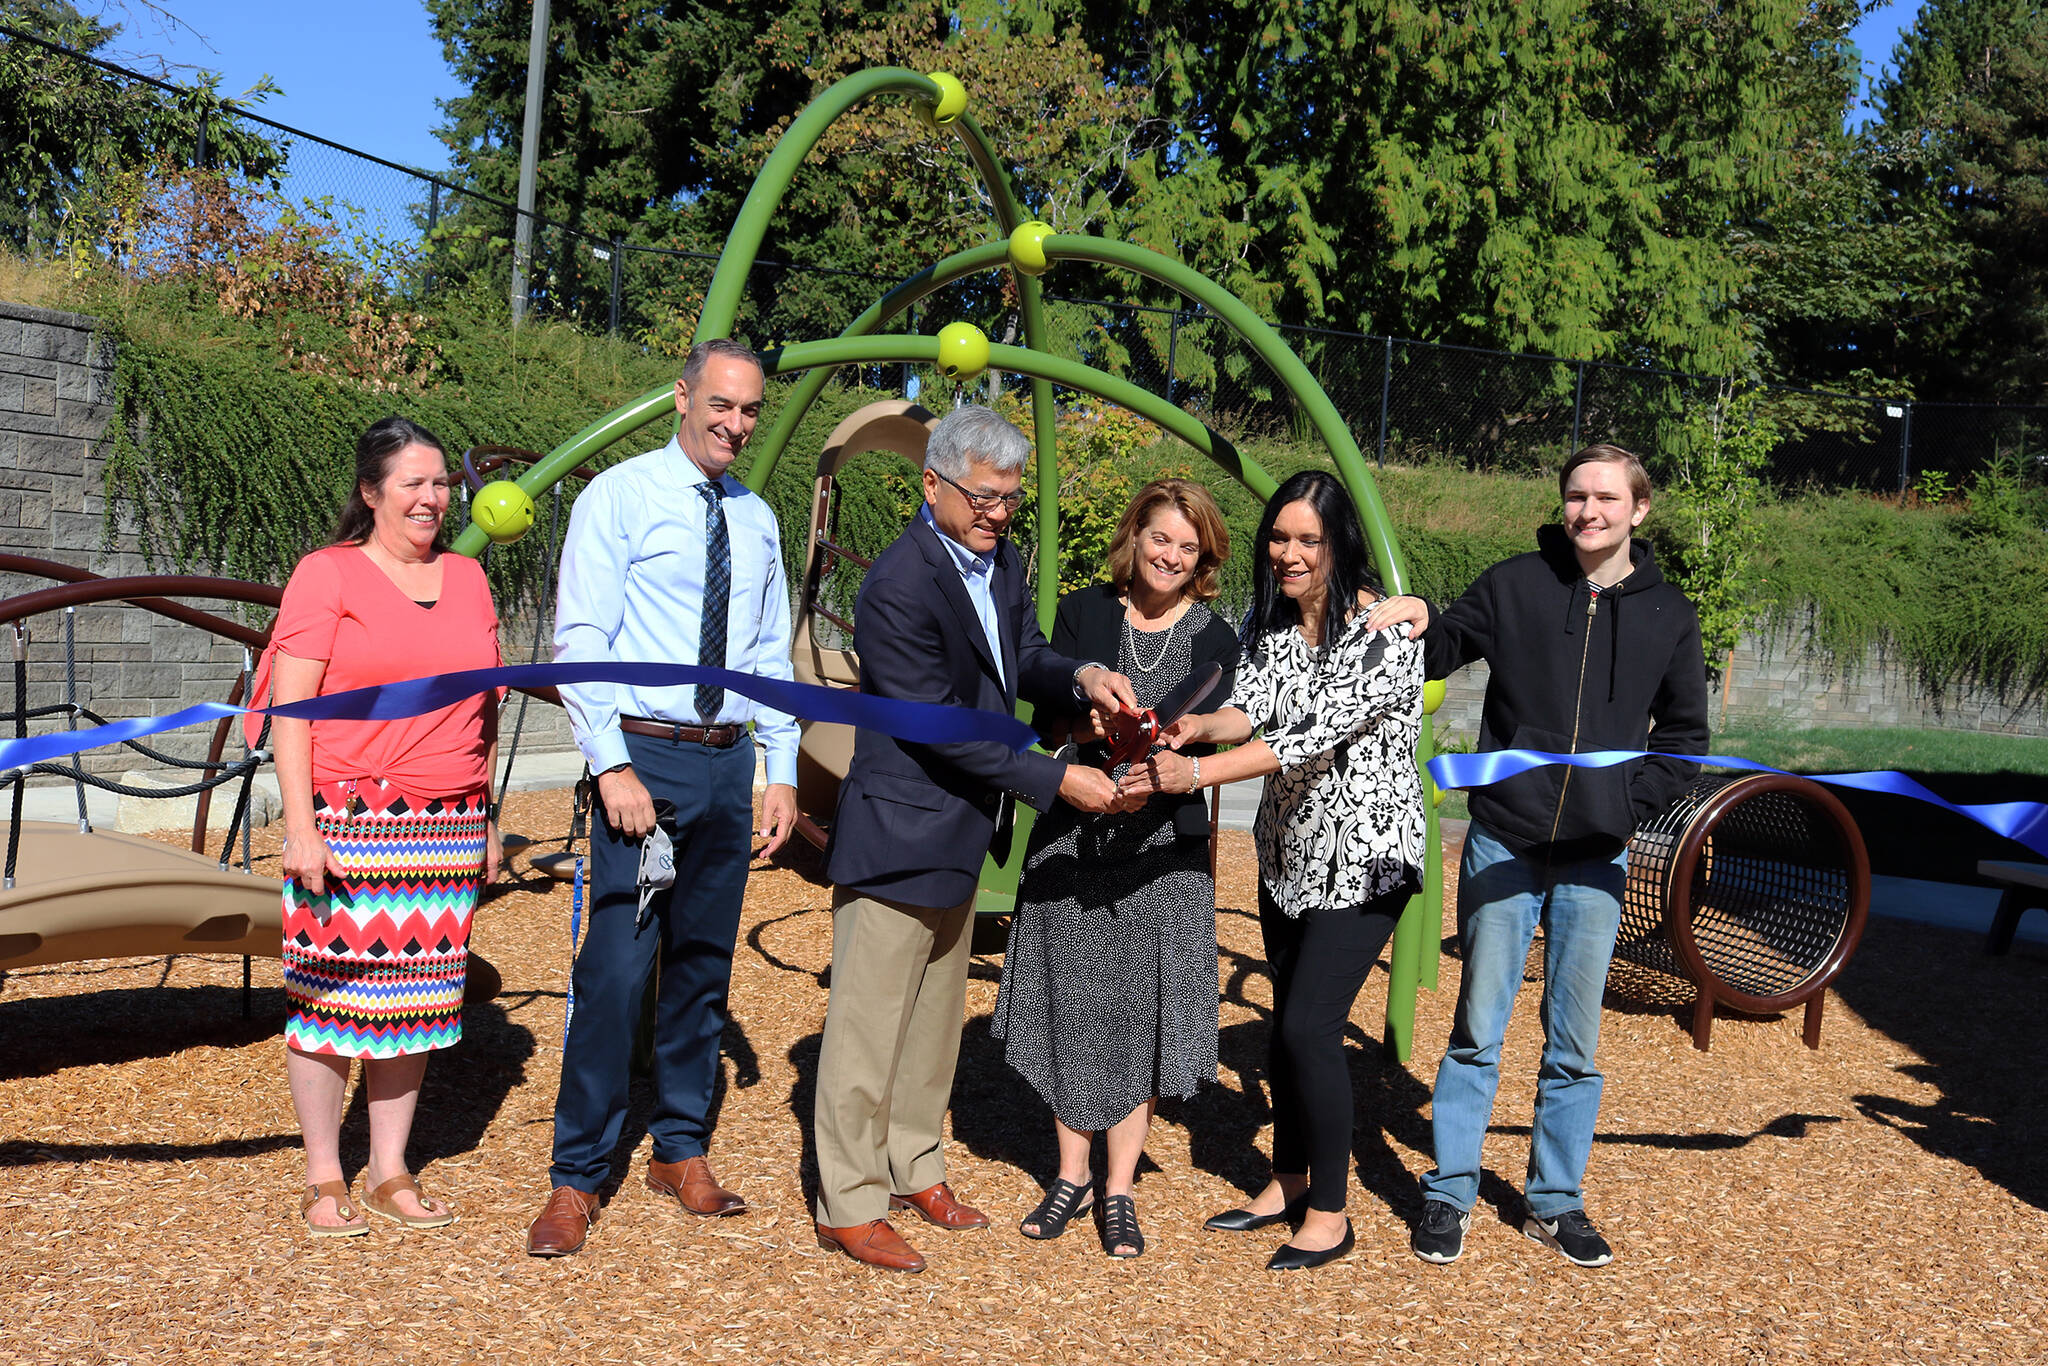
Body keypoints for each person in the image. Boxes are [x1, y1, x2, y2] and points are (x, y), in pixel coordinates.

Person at [811, 404, 1140, 1274]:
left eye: (1009, 499)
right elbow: (940, 726)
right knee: (865, 1030)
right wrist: (1053, 777)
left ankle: (913, 1164)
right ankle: (847, 1199)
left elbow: (1022, 653)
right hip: (899, 832)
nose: (998, 513)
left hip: (963, 828)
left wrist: (1082, 674)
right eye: (984, 497)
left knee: (931, 1024)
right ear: (933, 483)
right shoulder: (895, 586)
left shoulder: (999, 561)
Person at [1373, 443, 1707, 1269]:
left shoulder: (1670, 613)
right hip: (1506, 841)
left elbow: (1686, 739)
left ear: (1639, 508)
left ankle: (1554, 1202)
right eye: (1575, 496)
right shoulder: (1517, 583)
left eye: (1605, 497)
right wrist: (1414, 616)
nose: (1588, 511)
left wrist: (1623, 806)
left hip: (1596, 855)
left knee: (1575, 1042)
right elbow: (1444, 643)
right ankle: (1449, 1190)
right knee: (1478, 1029)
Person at [525, 338, 800, 1257]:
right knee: (614, 969)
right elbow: (583, 641)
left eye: (750, 409)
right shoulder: (622, 496)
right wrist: (610, 766)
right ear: (682, 397)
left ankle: (679, 1147)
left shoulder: (757, 518)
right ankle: (577, 1173)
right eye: (721, 404)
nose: (736, 423)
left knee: (702, 965)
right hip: (647, 766)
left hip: (726, 767)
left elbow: (767, 658)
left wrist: (781, 769)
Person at [1120, 469, 1426, 1271]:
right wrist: (1196, 727)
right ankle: (1287, 1179)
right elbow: (1252, 709)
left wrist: (1194, 775)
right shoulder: (1272, 620)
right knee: (1290, 1034)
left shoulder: (1381, 632)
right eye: (1280, 539)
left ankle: (1330, 1213)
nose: (1289, 554)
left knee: (1305, 1029)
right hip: (1290, 853)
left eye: (1308, 541)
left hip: (1365, 859)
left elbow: (1307, 736)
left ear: (1340, 543)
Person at [993, 479, 1239, 1259]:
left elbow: (1217, 740)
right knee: (1074, 1001)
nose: (1170, 555)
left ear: (1202, 560)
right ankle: (1069, 1174)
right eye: (1160, 538)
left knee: (1138, 1014)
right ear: (1135, 537)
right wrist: (1087, 717)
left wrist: (1174, 757)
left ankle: (1119, 1187)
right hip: (1076, 829)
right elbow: (1049, 717)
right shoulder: (1082, 612)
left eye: (1187, 547)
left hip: (1163, 851)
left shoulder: (1216, 638)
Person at [272, 415, 503, 1237]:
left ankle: (389, 1170)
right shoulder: (326, 575)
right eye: (414, 482)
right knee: (329, 1002)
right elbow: (288, 714)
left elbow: (484, 716)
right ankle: (324, 1175)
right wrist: (301, 827)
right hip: (350, 817)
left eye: (441, 482)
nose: (433, 498)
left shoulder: (471, 580)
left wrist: (484, 821)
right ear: (371, 493)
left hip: (446, 820)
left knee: (419, 1004)